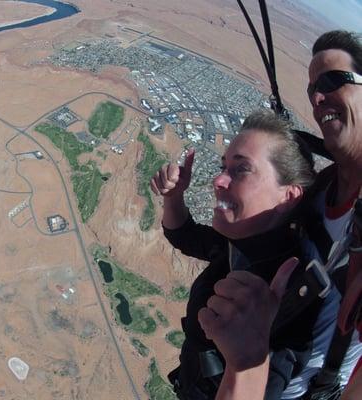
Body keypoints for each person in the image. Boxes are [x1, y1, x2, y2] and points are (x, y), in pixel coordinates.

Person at [199, 30, 362, 400]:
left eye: (334, 80)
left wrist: (249, 363)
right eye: (311, 89)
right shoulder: (324, 189)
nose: (318, 98)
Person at [150, 109, 318, 399]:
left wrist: (247, 362)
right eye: (223, 166)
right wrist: (173, 197)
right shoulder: (242, 243)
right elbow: (185, 236)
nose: (218, 180)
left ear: (288, 196)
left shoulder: (288, 293)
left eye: (241, 169)